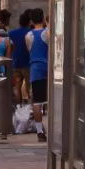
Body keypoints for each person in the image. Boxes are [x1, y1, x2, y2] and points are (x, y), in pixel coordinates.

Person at [29, 11, 52, 139]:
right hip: (48, 68)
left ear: (31, 21)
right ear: (43, 19)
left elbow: (30, 50)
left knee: (37, 102)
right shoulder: (47, 32)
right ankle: (51, 127)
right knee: (49, 100)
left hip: (35, 69)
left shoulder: (29, 36)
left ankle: (39, 131)